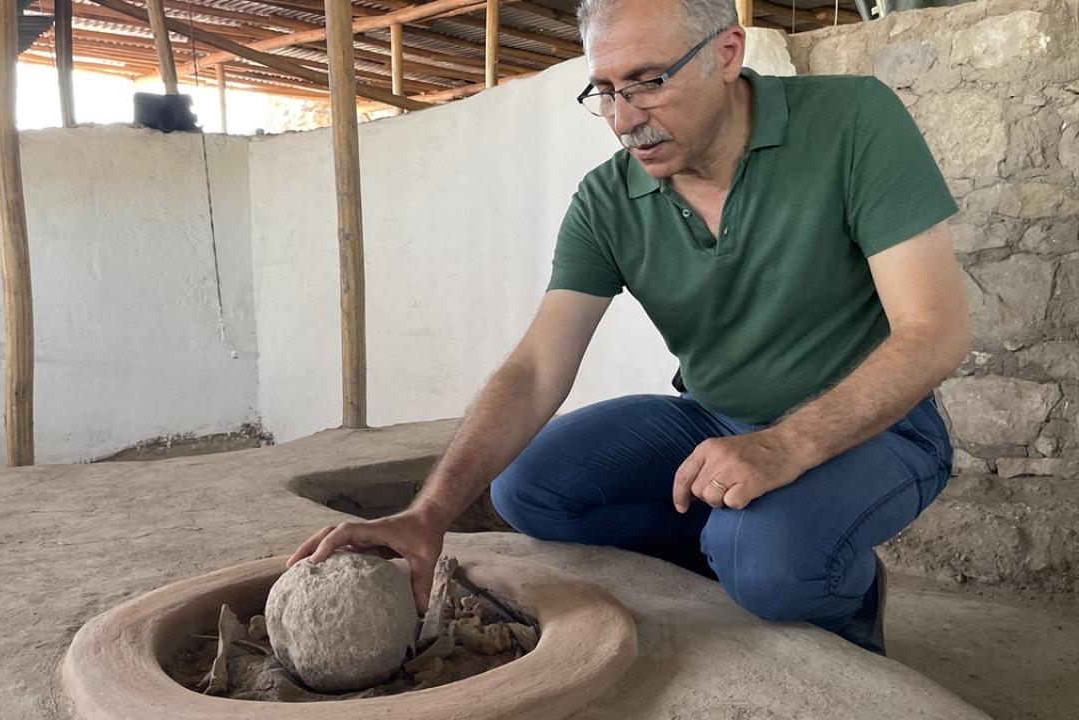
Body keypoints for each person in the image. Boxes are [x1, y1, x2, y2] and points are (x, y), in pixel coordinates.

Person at [288, 0, 969, 656]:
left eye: (647, 83)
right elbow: (536, 367)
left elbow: (934, 331)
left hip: (884, 429)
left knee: (771, 567)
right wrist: (428, 512)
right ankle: (738, 538)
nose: (623, 118)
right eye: (605, 91)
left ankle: (834, 589)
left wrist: (785, 446)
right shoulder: (607, 200)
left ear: (728, 53)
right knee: (528, 488)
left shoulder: (854, 121)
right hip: (713, 418)